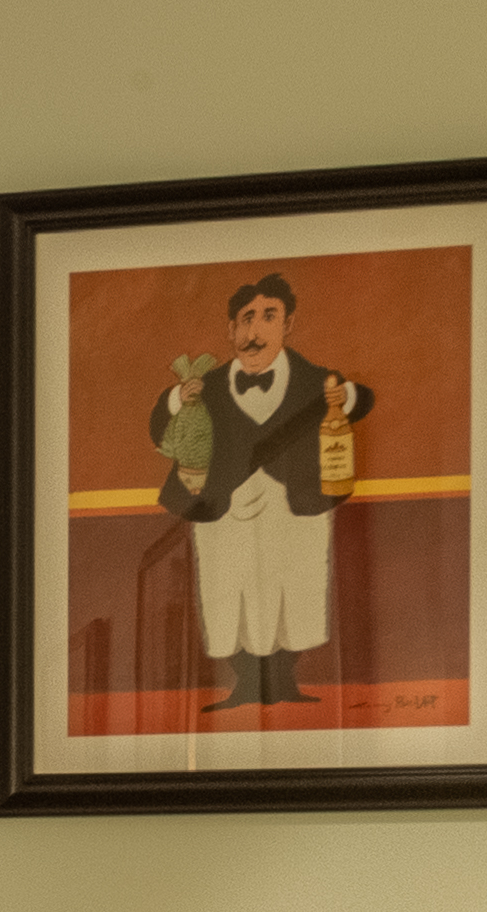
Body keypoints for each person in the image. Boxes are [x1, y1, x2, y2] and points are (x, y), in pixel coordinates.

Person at [149, 273, 374, 716]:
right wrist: (179, 396)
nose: (255, 333)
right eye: (246, 319)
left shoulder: (315, 381)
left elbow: (363, 399)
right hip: (224, 513)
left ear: (288, 324)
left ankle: (285, 684)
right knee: (227, 595)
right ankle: (245, 685)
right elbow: (159, 425)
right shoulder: (206, 389)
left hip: (296, 510)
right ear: (231, 329)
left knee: (298, 593)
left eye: (268, 316)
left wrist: (344, 394)